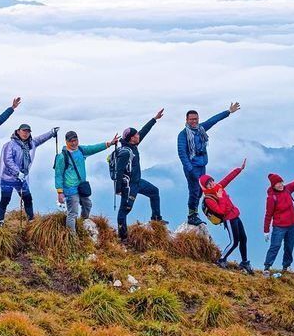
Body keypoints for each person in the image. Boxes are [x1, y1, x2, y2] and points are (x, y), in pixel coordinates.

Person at [177, 102, 241, 225]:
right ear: (186, 119)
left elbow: (213, 120)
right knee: (194, 190)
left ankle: (196, 213)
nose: (194, 121)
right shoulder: (183, 135)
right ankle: (192, 216)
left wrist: (228, 112)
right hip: (192, 168)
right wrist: (190, 170)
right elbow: (182, 154)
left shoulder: (200, 129)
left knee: (201, 192)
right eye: (191, 119)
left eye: (196, 119)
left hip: (201, 165)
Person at [116, 109, 168, 240]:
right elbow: (119, 171)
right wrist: (118, 189)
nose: (138, 135)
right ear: (131, 138)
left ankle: (156, 218)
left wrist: (154, 119)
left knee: (154, 192)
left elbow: (144, 131)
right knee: (125, 209)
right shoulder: (125, 152)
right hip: (128, 186)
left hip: (138, 181)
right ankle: (123, 237)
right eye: (136, 134)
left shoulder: (133, 144)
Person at [54, 130, 119, 234]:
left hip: (81, 186)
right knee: (73, 213)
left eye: (75, 140)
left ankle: (83, 223)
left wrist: (109, 144)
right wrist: (60, 192)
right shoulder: (62, 157)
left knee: (87, 204)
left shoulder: (80, 150)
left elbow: (93, 148)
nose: (74, 143)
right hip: (70, 188)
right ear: (66, 142)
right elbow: (58, 175)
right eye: (71, 141)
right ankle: (72, 237)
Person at [199, 159, 253, 273]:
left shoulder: (218, 187)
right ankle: (221, 259)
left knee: (243, 239)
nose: (212, 184)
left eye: (211, 181)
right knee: (234, 242)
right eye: (208, 184)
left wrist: (240, 169)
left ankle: (244, 262)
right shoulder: (209, 199)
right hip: (228, 219)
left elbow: (228, 178)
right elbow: (221, 211)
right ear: (205, 187)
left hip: (235, 216)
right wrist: (221, 197)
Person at [0, 124, 58, 224]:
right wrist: (18, 172)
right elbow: (8, 160)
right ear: (18, 131)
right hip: (8, 178)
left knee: (27, 198)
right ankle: (1, 221)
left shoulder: (29, 144)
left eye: (28, 131)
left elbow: (40, 139)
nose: (26, 133)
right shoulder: (11, 145)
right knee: (5, 199)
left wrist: (51, 133)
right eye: (24, 131)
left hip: (21, 179)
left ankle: (31, 220)